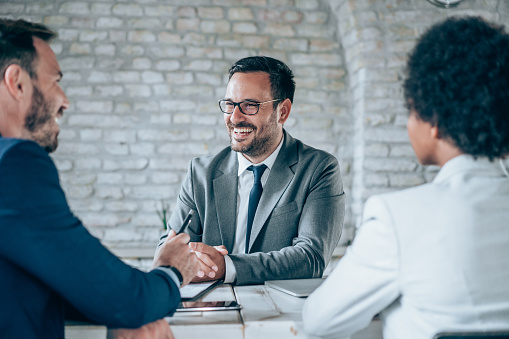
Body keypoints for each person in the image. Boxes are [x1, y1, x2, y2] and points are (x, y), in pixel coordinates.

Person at [302, 16, 509, 339]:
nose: (409, 124)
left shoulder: (397, 218)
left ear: (434, 120)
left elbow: (318, 320)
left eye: (411, 111)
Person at [0, 19, 199, 338]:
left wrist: (115, 312)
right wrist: (172, 271)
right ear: (17, 82)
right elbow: (126, 300)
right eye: (55, 81)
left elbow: (25, 289)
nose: (64, 100)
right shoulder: (15, 163)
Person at [158, 56, 345, 285]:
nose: (235, 118)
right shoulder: (200, 173)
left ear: (283, 111)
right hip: (210, 307)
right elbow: (169, 249)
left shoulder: (318, 169)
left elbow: (311, 258)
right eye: (230, 104)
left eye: (249, 106)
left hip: (280, 312)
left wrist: (227, 267)